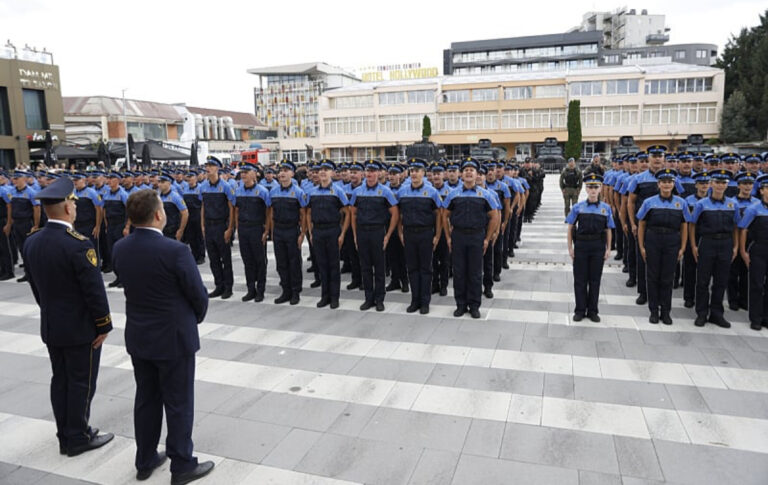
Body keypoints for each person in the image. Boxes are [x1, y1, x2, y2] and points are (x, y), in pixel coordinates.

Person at [112, 189, 214, 484]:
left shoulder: (120, 248)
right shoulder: (175, 250)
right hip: (173, 338)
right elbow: (198, 296)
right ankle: (182, 464)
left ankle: (145, 459)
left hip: (140, 336)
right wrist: (192, 318)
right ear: (158, 214)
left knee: (146, 398)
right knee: (179, 402)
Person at [23, 177, 114, 457]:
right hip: (80, 329)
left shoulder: (32, 242)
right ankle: (77, 437)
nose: (75, 208)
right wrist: (103, 325)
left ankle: (66, 432)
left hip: (52, 324)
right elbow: (94, 292)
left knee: (60, 380)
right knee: (81, 383)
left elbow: (37, 288)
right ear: (66, 208)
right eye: (73, 204)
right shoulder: (78, 244)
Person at [443, 158, 499, 319]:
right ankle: (460, 305)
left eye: (471, 170)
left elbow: (494, 217)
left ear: (477, 175)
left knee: (475, 273)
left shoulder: (485, 195)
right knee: (459, 272)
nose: (468, 172)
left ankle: (474, 305)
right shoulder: (453, 194)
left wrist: (487, 238)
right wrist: (448, 237)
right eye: (465, 169)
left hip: (476, 237)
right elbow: (444, 215)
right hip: (458, 236)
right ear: (461, 174)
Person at [688, 169, 741, 328]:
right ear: (711, 184)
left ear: (727, 185)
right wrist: (693, 245)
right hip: (707, 243)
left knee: (721, 280)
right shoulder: (701, 204)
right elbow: (692, 225)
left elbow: (736, 227)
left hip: (725, 244)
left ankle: (717, 314)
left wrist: (736, 246)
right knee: (703, 280)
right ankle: (702, 313)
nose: (720, 185)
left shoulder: (733, 204)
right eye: (717, 182)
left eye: (723, 183)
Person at [636, 169, 689, 325]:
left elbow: (684, 226)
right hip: (653, 240)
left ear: (674, 184)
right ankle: (653, 310)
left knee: (668, 277)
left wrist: (683, 247)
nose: (667, 185)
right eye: (663, 182)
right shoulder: (649, 202)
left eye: (670, 182)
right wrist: (642, 246)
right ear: (658, 184)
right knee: (652, 276)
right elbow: (642, 225)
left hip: (672, 241)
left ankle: (665, 311)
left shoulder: (681, 203)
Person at [566, 173, 613, 322]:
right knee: (580, 279)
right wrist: (570, 248)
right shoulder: (578, 207)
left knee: (595, 280)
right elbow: (570, 228)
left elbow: (608, 230)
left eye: (596, 187)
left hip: (598, 246)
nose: (593, 190)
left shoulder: (606, 208)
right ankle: (580, 310)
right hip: (581, 246)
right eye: (590, 187)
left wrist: (608, 248)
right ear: (586, 189)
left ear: (600, 189)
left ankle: (593, 311)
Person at [397, 158, 441, 314]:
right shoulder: (402, 191)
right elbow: (399, 215)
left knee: (426, 269)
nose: (414, 173)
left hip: (425, 234)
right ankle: (414, 300)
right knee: (412, 268)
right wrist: (400, 232)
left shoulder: (432, 192)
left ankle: (425, 302)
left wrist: (437, 235)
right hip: (409, 234)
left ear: (424, 173)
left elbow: (438, 215)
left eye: (417, 171)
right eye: (412, 171)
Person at [306, 159, 350, 309]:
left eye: (326, 169)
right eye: (320, 169)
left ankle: (334, 297)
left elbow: (347, 212)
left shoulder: (338, 191)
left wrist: (342, 233)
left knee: (333, 265)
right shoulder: (313, 191)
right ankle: (324, 296)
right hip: (318, 231)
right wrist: (311, 231)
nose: (323, 172)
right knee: (322, 265)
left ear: (332, 172)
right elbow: (308, 212)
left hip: (332, 230)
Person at [627, 146, 667, 306]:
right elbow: (630, 202)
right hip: (644, 224)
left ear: (664, 159)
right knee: (643, 258)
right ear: (648, 158)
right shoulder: (638, 179)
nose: (657, 159)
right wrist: (632, 223)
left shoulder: (671, 179)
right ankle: (643, 292)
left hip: (664, 224)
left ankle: (659, 295)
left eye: (660, 156)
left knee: (663, 263)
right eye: (654, 156)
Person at [269, 160, 307, 305]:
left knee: (294, 262)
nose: (282, 173)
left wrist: (302, 233)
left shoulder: (298, 192)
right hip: (278, 230)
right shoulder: (273, 191)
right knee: (281, 262)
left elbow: (303, 214)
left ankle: (295, 292)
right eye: (280, 171)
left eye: (286, 170)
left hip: (292, 230)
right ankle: (285, 291)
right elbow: (271, 212)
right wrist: (272, 231)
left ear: (292, 173)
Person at [233, 162, 271, 302]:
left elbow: (268, 212)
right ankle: (251, 289)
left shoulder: (262, 191)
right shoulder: (238, 190)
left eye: (247, 171)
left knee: (260, 261)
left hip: (257, 228)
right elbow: (236, 210)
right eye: (242, 171)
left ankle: (260, 290)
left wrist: (266, 230)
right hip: (243, 229)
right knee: (247, 260)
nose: (243, 174)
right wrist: (237, 228)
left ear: (254, 174)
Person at [200, 157, 236, 299]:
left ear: (217, 168)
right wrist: (202, 225)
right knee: (213, 258)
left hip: (221, 225)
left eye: (211, 166)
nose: (208, 168)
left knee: (225, 258)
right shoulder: (203, 186)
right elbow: (203, 206)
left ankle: (228, 287)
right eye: (207, 165)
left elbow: (231, 208)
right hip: (209, 226)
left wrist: (230, 228)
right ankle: (218, 286)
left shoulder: (226, 186)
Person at [738, 173, 768, 330]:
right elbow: (743, 230)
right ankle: (755, 318)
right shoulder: (753, 209)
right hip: (759, 248)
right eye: (767, 188)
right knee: (756, 284)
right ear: (761, 191)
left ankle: (766, 316)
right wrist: (743, 251)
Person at [727, 171, 759, 311]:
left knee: (747, 271)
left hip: (751, 241)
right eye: (744, 184)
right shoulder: (731, 202)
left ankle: (744, 299)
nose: (747, 187)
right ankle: (733, 299)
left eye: (750, 184)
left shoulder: (757, 202)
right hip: (734, 238)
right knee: (732, 271)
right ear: (738, 185)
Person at [683, 172, 711, 308]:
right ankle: (689, 297)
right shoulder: (688, 200)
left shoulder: (713, 200)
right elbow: (686, 222)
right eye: (701, 183)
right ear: (696, 185)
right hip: (692, 236)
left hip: (707, 237)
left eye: (706, 183)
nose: (704, 186)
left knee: (705, 270)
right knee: (690, 268)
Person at [10, 170, 41, 282]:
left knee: (29, 249)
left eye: (17, 179)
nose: (14, 181)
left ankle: (34, 272)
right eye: (14, 179)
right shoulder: (13, 191)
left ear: (23, 179)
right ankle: (28, 273)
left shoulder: (31, 192)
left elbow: (37, 209)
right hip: (17, 223)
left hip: (27, 223)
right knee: (22, 249)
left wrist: (36, 225)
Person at [181, 170, 205, 264]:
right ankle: (194, 255)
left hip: (197, 213)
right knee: (191, 236)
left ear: (195, 178)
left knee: (199, 236)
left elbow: (203, 204)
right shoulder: (185, 189)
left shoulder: (200, 188)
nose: (190, 180)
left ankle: (201, 256)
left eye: (191, 178)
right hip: (189, 214)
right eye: (188, 178)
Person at [158, 173, 189, 240]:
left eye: (163, 182)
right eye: (159, 182)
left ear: (169, 183)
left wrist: (181, 230)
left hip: (173, 231)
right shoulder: (158, 197)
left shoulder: (176, 197)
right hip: (162, 230)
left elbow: (185, 213)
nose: (160, 184)